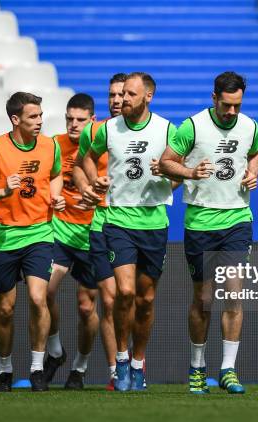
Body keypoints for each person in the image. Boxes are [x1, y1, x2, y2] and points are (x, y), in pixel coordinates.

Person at [158, 71, 258, 394]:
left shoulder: (251, 126)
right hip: (201, 222)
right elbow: (166, 162)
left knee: (234, 294)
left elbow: (255, 152)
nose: (232, 112)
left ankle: (228, 370)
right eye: (226, 105)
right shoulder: (192, 126)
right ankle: (197, 366)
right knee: (204, 299)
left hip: (237, 220)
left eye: (237, 106)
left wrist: (253, 172)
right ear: (214, 97)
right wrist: (190, 171)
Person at [82, 72, 176, 391]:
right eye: (122, 94)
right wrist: (95, 180)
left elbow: (183, 169)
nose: (123, 100)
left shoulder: (166, 129)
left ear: (148, 97)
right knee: (124, 293)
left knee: (146, 299)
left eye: (131, 95)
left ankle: (138, 363)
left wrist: (167, 176)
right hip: (118, 221)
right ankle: (120, 360)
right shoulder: (108, 128)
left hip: (154, 224)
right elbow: (87, 157)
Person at [0, 92, 65, 392]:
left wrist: (55, 195)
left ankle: (37, 367)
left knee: (39, 298)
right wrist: (2, 192)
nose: (39, 121)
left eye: (40, 115)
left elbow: (56, 174)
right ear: (15, 119)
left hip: (40, 233)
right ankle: (5, 368)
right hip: (4, 237)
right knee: (6, 309)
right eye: (32, 117)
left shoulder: (50, 145)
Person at [71, 73, 127, 390]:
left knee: (136, 300)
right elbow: (78, 166)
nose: (116, 100)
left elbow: (171, 169)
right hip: (101, 222)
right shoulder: (95, 131)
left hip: (137, 224)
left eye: (121, 95)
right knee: (109, 297)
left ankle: (135, 364)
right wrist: (88, 187)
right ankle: (116, 370)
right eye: (111, 95)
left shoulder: (151, 131)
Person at [42, 93, 99, 389]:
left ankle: (80, 367)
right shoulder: (54, 144)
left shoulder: (104, 144)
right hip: (60, 230)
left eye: (80, 119)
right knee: (44, 291)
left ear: (92, 120)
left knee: (86, 307)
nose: (74, 125)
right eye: (69, 119)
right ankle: (54, 350)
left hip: (92, 234)